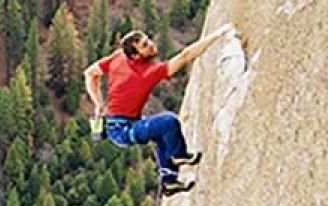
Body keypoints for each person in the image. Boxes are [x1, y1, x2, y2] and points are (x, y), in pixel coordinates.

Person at [84, 24, 235, 196]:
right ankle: (178, 156)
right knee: (168, 122)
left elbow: (90, 73)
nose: (151, 45)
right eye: (145, 46)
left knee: (161, 135)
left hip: (122, 124)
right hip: (123, 131)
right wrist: (217, 34)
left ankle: (169, 182)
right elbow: (185, 57)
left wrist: (98, 103)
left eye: (148, 40)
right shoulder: (148, 72)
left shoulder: (119, 57)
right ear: (135, 55)